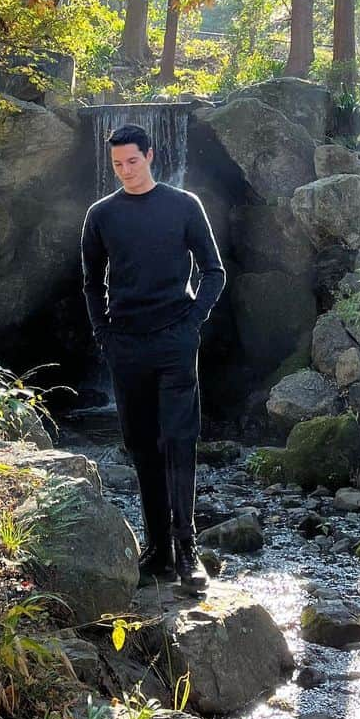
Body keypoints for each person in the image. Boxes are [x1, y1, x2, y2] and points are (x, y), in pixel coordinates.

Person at [80, 122, 226, 591]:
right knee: (142, 447)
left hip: (174, 342)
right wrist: (104, 335)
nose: (125, 171)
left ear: (150, 156)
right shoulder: (101, 215)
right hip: (126, 345)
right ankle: (158, 550)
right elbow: (90, 283)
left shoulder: (184, 206)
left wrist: (191, 324)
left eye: (133, 161)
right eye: (117, 164)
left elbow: (213, 271)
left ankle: (188, 552)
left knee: (179, 443)